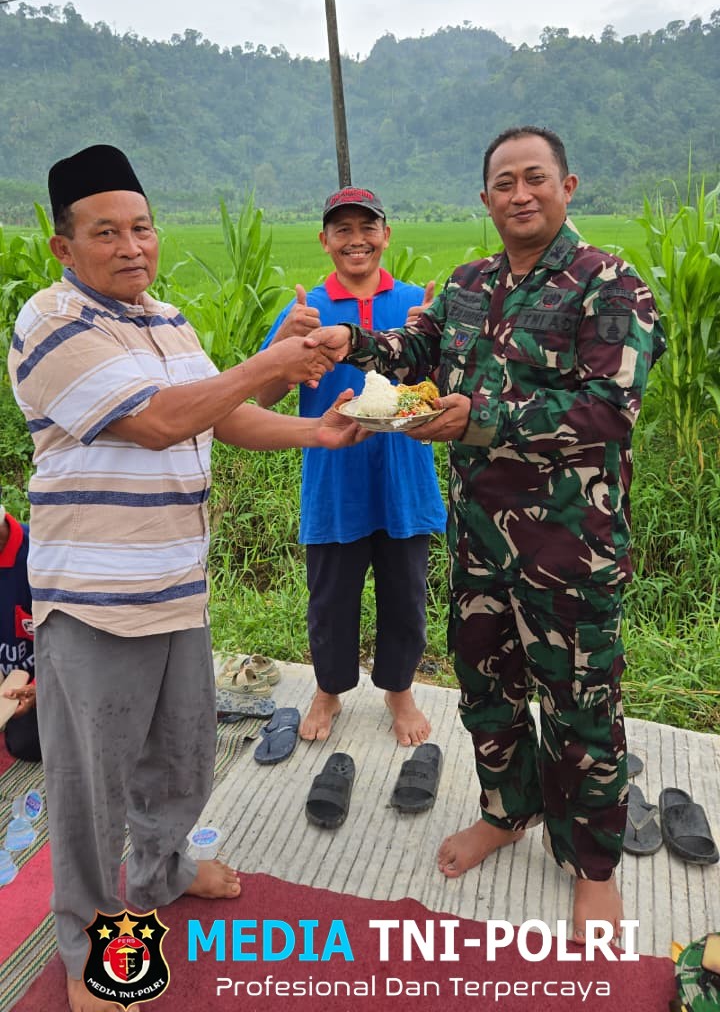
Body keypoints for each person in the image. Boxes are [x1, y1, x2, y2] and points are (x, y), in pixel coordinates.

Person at [7, 144, 358, 1012]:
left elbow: (220, 414)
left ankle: (161, 869)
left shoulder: (167, 321)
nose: (132, 247)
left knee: (180, 754)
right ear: (64, 247)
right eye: (106, 233)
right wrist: (275, 363)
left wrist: (318, 432)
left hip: (175, 584)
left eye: (142, 228)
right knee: (91, 776)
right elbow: (161, 421)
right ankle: (89, 931)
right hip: (93, 602)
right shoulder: (51, 322)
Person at [307, 127, 665, 942]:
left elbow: (610, 407)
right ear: (486, 199)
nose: (520, 194)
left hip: (571, 550)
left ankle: (592, 863)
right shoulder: (467, 285)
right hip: (480, 544)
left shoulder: (607, 284)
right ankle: (508, 812)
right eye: (504, 182)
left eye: (535, 178)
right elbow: (418, 346)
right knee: (487, 690)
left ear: (567, 185)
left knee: (580, 707)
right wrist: (353, 343)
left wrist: (480, 418)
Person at [256, 186, 446, 745]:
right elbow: (264, 397)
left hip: (404, 480)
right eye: (343, 229)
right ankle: (328, 689)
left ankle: (399, 690)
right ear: (325, 240)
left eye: (367, 227)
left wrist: (427, 342)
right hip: (334, 481)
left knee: (405, 597)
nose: (356, 240)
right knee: (331, 599)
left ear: (385, 235)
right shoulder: (307, 310)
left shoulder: (417, 303)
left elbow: (445, 391)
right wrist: (287, 351)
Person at [0, 491, 40, 762]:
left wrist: (40, 687)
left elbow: (78, 642)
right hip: (5, 683)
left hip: (46, 682)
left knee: (26, 742)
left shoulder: (39, 556)